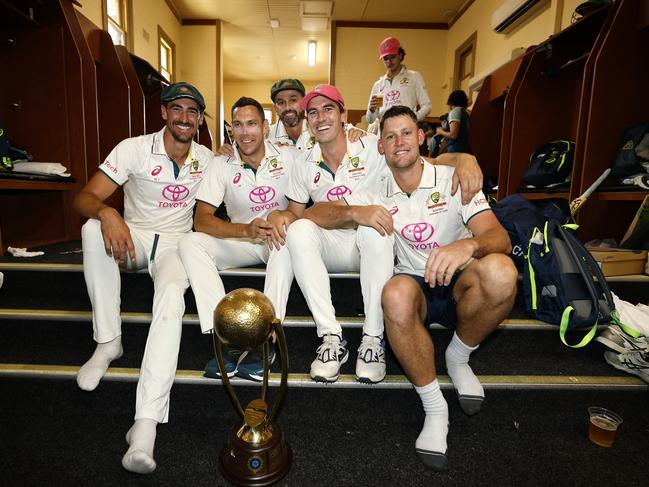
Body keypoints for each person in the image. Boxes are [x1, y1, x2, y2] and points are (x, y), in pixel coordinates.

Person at [306, 106, 517, 470]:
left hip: (459, 282)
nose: (398, 142)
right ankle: (435, 407)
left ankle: (458, 357)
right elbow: (315, 214)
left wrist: (467, 245)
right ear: (380, 147)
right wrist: (355, 213)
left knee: (501, 271)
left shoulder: (453, 178)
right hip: (415, 285)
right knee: (394, 293)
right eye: (389, 136)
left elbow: (500, 237)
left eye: (406, 133)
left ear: (421, 138)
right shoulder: (373, 189)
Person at [267, 85, 484, 385]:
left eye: (328, 109)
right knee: (299, 229)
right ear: (307, 120)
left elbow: (421, 161)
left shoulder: (374, 145)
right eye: (313, 112)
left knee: (376, 226)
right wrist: (286, 215)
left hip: (372, 244)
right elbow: (299, 213)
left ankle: (372, 340)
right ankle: (331, 339)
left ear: (344, 114)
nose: (320, 118)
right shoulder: (304, 161)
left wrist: (463, 159)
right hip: (334, 240)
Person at [73, 82, 214, 474]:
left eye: (193, 111)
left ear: (200, 120)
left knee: (171, 298)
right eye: (178, 109)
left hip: (175, 244)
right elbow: (84, 197)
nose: (185, 117)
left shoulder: (208, 157)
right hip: (132, 236)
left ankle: (145, 424)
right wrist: (107, 213)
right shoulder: (132, 147)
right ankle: (108, 342)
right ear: (164, 113)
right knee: (89, 228)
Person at [179, 97, 296, 381]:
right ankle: (227, 336)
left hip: (277, 240)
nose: (245, 133)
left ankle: (265, 341)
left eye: (252, 124)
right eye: (238, 126)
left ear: (266, 127)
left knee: (286, 242)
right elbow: (202, 219)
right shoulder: (222, 163)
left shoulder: (290, 156)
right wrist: (245, 230)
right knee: (189, 242)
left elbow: (306, 204)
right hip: (243, 239)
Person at [366, 37, 432, 126]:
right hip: (385, 132)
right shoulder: (378, 85)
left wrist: (412, 119)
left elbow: (427, 106)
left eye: (392, 57)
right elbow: (370, 120)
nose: (389, 61)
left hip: (406, 129)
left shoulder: (414, 77)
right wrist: (372, 109)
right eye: (385, 58)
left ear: (400, 55)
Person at [436, 90, 471, 154]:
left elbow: (453, 135)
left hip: (455, 151)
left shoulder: (455, 111)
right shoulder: (467, 112)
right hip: (466, 150)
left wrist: (440, 131)